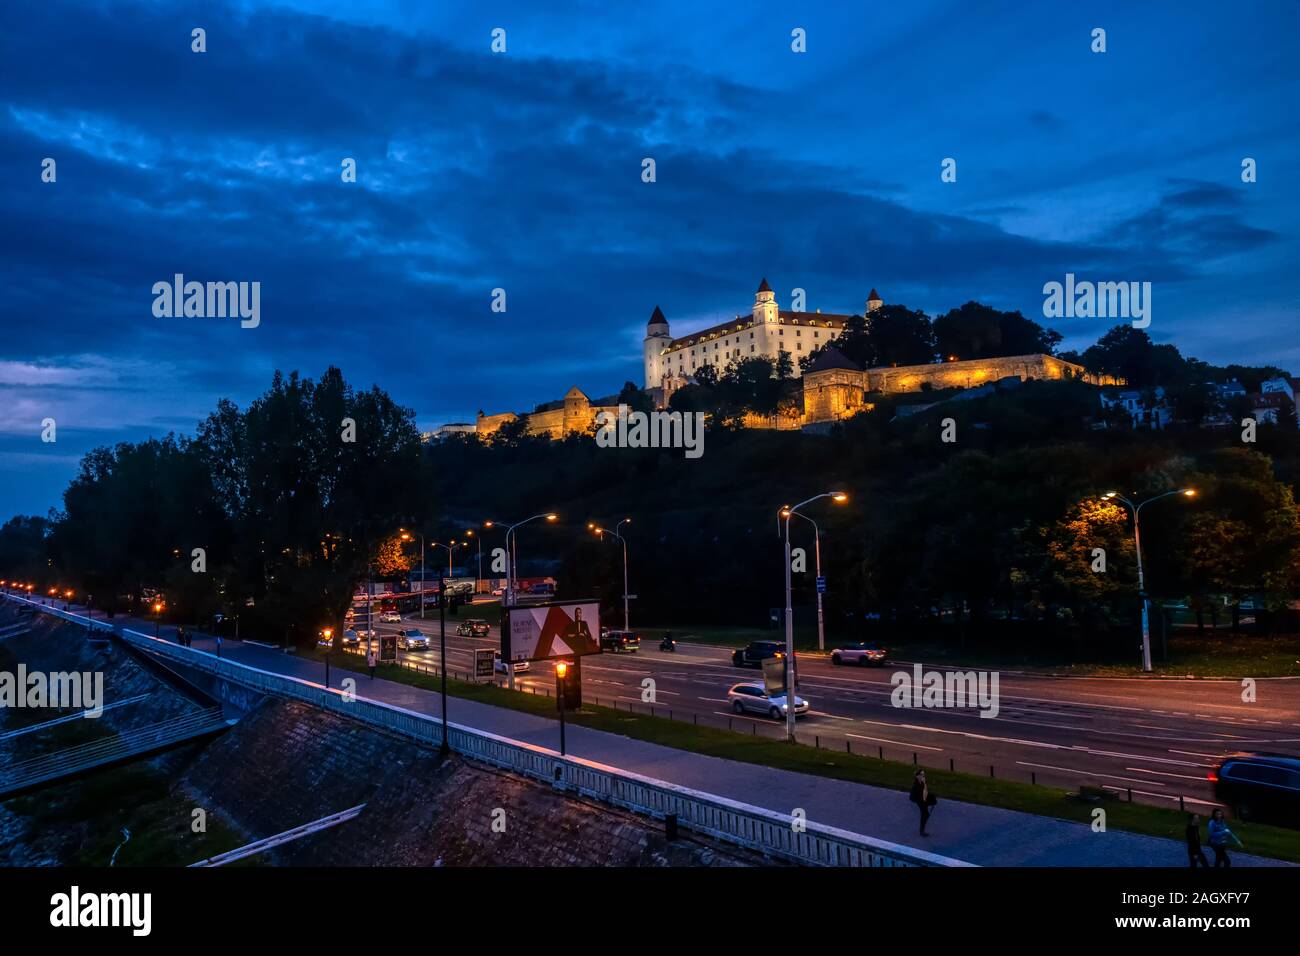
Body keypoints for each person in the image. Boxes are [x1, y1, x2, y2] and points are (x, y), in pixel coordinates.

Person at [909, 769, 937, 837]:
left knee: (925, 814)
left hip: (922, 799)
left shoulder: (922, 782)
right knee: (925, 813)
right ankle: (922, 831)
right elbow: (921, 795)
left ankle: (922, 829)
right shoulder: (916, 785)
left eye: (923, 774)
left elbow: (926, 792)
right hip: (919, 800)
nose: (923, 776)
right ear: (917, 776)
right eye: (921, 774)